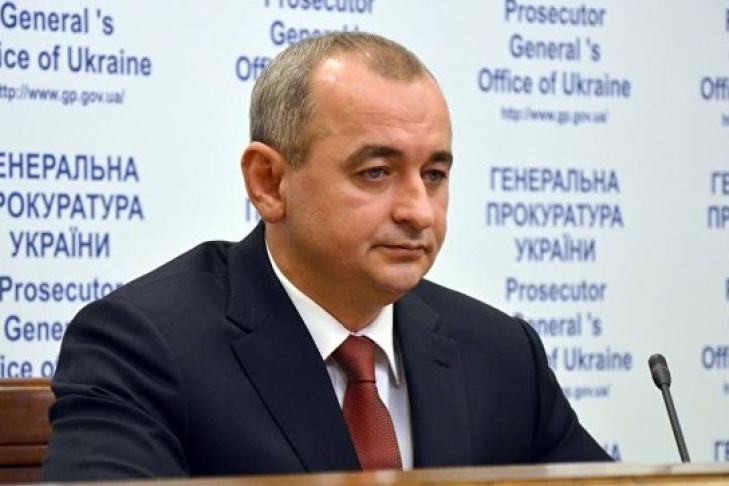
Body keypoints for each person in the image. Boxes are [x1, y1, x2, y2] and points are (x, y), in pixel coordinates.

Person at [41, 32, 611, 481]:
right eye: (376, 172)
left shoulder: (500, 353)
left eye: (434, 174)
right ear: (269, 182)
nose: (419, 211)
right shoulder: (144, 345)